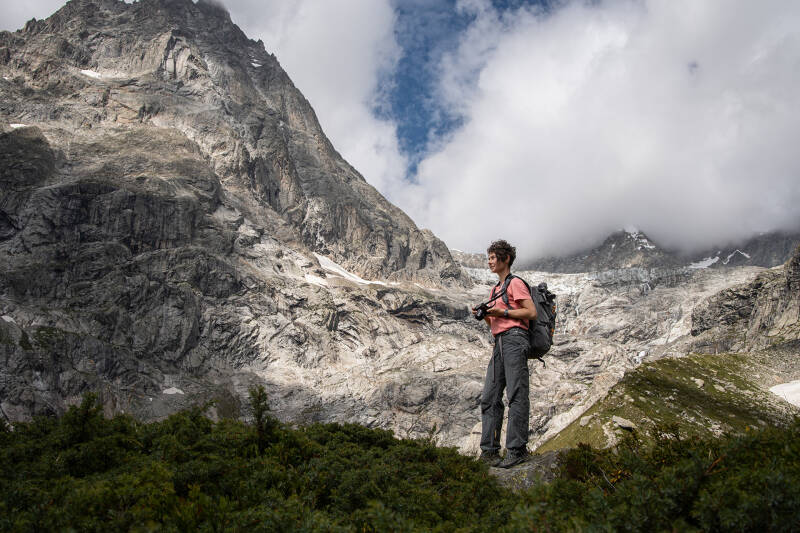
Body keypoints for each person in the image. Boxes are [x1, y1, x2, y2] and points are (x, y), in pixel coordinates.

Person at [473, 239, 537, 468]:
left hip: (515, 340)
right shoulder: (494, 289)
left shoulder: (516, 283)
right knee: (490, 396)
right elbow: (494, 324)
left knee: (517, 394)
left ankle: (517, 449)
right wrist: (486, 316)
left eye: (492, 257)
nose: (489, 262)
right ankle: (489, 451)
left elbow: (531, 312)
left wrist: (504, 311)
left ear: (505, 259)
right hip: (500, 341)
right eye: (489, 258)